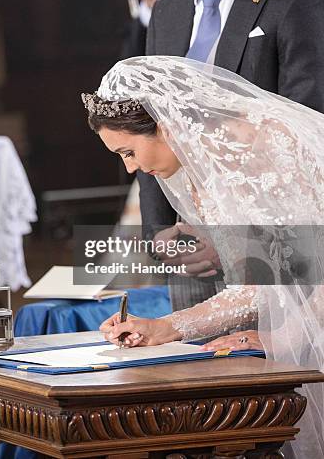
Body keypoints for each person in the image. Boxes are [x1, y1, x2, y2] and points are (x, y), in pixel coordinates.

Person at [82, 54, 324, 457]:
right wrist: (162, 328)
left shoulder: (268, 142)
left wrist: (287, 336)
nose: (130, 169)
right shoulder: (201, 178)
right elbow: (252, 287)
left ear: (164, 127)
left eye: (128, 152)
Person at [137, 0, 324, 313]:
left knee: (266, 378)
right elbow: (152, 126)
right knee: (192, 375)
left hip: (271, 245)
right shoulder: (167, 12)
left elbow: (304, 137)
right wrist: (159, 233)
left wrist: (238, 241)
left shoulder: (296, 4)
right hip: (188, 245)